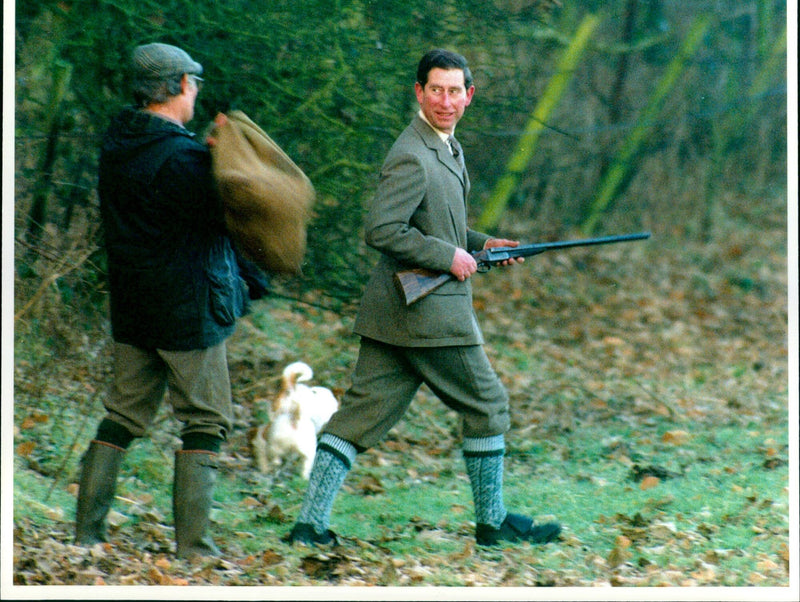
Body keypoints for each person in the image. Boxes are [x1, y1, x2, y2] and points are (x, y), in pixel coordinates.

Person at [288, 49, 561, 548]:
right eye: (436, 89)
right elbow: (383, 229)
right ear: (419, 92)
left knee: (356, 419)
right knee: (488, 405)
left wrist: (482, 245)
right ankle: (492, 523)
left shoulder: (445, 146)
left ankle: (309, 526)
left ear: (469, 96)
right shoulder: (412, 153)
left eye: (455, 91)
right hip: (429, 315)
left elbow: (439, 223)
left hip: (396, 315)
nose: (446, 100)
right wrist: (448, 256)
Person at [75, 43, 257, 558]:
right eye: (194, 83)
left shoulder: (119, 144)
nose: (197, 92)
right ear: (179, 85)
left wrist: (205, 155)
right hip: (188, 313)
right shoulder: (184, 160)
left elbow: (165, 196)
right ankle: (195, 551)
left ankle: (86, 535)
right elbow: (222, 223)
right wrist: (223, 159)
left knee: (125, 416)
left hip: (134, 310)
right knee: (206, 422)